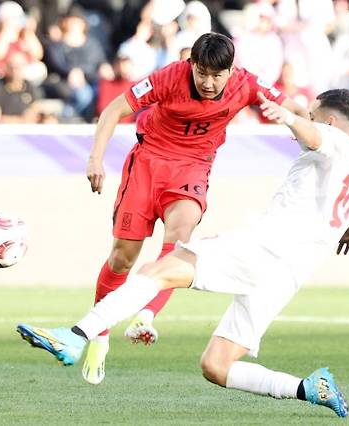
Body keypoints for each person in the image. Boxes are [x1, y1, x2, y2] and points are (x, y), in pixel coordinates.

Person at [17, 88, 349, 418]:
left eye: (313, 114)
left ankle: (76, 336)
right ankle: (308, 388)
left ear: (330, 121)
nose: (309, 119)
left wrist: (290, 118)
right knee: (217, 366)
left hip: (264, 248)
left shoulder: (331, 137)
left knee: (159, 271)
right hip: (288, 275)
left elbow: (314, 135)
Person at [78, 32, 309, 386]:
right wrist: (96, 158)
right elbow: (114, 109)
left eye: (217, 75)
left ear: (231, 72)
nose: (208, 82)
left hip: (192, 167)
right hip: (148, 161)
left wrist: (294, 121)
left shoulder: (246, 83)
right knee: (121, 260)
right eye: (202, 73)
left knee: (180, 238)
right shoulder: (170, 77)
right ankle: (100, 337)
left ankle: (145, 316)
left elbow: (296, 107)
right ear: (192, 65)